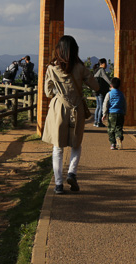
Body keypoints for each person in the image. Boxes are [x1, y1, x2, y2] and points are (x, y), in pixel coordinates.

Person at [42, 35, 100, 195]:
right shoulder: (80, 67)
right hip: (77, 108)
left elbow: (47, 93)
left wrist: (58, 91)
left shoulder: (51, 68)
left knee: (58, 147)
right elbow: (95, 86)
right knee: (76, 144)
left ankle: (58, 184)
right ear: (75, 50)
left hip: (58, 108)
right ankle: (72, 173)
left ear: (58, 50)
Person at [102, 77, 127, 149]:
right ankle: (119, 137)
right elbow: (125, 104)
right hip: (120, 113)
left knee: (111, 129)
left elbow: (105, 104)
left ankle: (113, 144)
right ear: (119, 85)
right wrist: (124, 112)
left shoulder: (109, 94)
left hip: (112, 113)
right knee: (119, 128)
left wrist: (104, 114)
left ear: (111, 85)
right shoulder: (122, 94)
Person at [93, 58, 112, 127]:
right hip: (101, 91)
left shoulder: (96, 70)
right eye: (106, 64)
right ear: (103, 64)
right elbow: (106, 78)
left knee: (98, 106)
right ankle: (99, 122)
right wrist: (112, 85)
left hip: (96, 91)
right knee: (101, 107)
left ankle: (95, 121)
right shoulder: (101, 70)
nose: (106, 65)